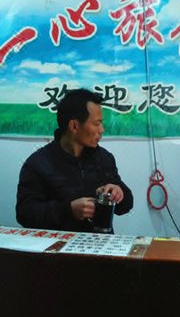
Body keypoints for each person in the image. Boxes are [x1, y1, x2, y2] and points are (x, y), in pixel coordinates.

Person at [16, 88, 133, 232]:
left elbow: (126, 206)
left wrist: (119, 193)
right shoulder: (38, 164)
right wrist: (68, 210)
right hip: (58, 244)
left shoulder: (103, 158)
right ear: (74, 126)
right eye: (96, 124)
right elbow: (24, 214)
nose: (101, 130)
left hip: (100, 243)